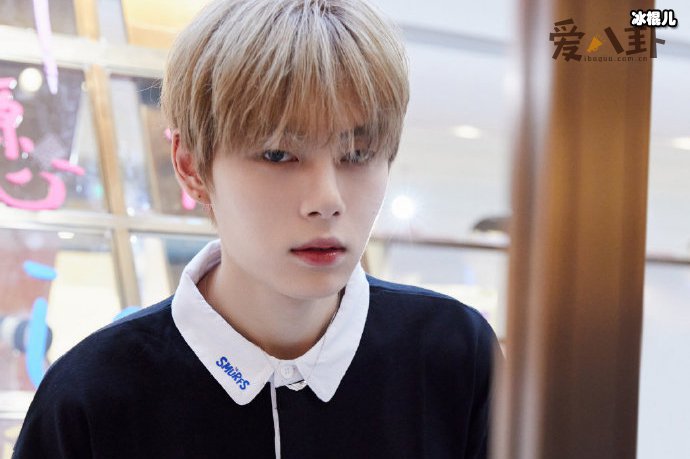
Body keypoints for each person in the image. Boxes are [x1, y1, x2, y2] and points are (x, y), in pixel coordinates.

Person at [13, 0, 500, 457]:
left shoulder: (455, 354)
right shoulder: (90, 397)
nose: (327, 200)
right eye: (278, 154)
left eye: (357, 154)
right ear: (190, 166)